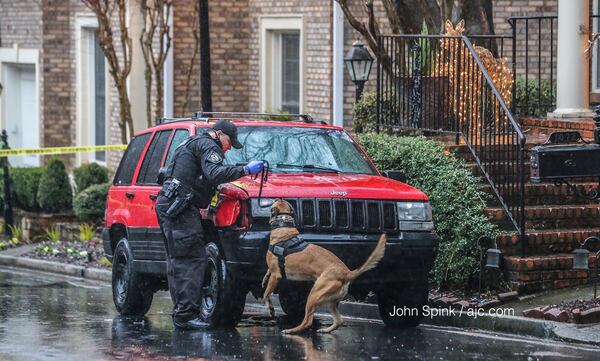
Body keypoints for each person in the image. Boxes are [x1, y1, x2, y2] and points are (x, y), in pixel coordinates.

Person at [155, 120, 264, 330]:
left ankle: (181, 314)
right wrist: (245, 169)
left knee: (178, 260)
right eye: (230, 141)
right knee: (192, 259)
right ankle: (186, 316)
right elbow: (214, 173)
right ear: (219, 134)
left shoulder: (191, 143)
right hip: (180, 208)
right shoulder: (208, 145)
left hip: (171, 204)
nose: (230, 146)